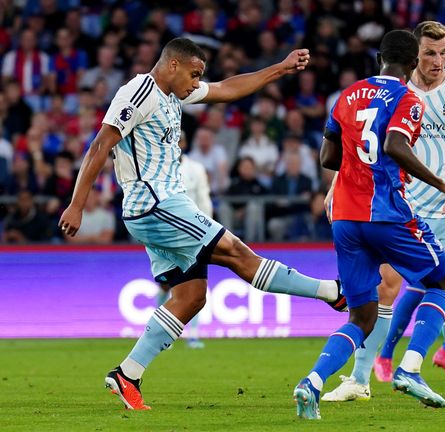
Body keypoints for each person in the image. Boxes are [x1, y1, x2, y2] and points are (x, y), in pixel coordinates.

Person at [58, 38, 346, 411]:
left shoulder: (175, 95)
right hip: (155, 203)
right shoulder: (138, 91)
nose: (197, 83)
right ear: (172, 66)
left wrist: (280, 67)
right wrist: (77, 205)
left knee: (191, 297)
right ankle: (332, 291)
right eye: (194, 74)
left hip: (157, 208)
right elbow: (100, 145)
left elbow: (227, 90)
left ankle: (127, 374)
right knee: (235, 252)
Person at [293, 29, 445, 420]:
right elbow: (394, 145)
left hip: (345, 217)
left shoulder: (347, 94)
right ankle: (409, 368)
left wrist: (357, 168)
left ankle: (312, 382)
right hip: (386, 213)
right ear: (412, 64)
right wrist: (443, 183)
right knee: (442, 282)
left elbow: (328, 156)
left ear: (379, 58)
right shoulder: (407, 98)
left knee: (362, 315)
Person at [154, 131, 211, 349]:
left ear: (184, 143)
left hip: (194, 233)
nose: (175, 143)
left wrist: (207, 233)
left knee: (195, 285)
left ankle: (193, 334)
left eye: (179, 140)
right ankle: (160, 334)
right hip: (164, 235)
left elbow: (204, 201)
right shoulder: (156, 168)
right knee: (166, 286)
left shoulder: (196, 169)